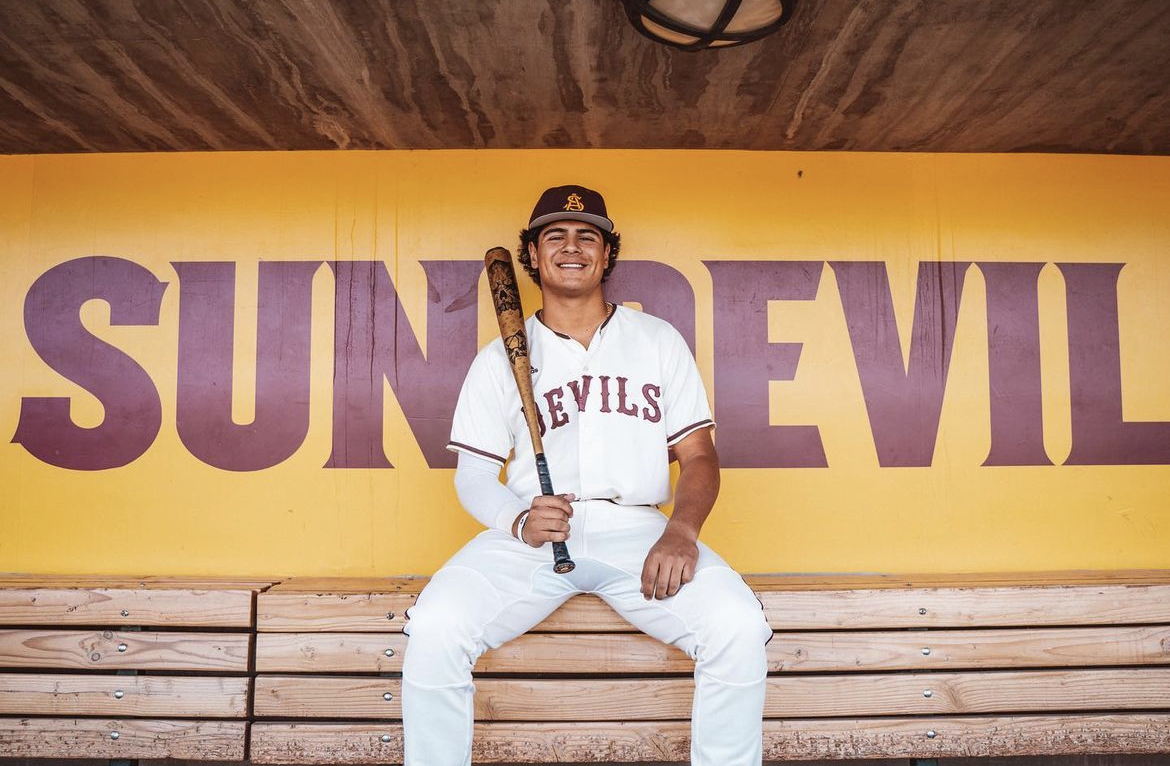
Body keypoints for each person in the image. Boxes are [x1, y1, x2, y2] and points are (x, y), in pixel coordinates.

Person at [402, 184, 771, 766]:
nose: (571, 247)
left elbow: (699, 456)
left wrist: (682, 531)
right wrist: (517, 519)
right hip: (532, 537)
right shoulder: (499, 358)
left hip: (637, 529)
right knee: (435, 628)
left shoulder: (657, 341)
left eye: (586, 237)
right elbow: (473, 476)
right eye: (555, 236)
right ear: (532, 254)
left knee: (737, 626)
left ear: (606, 255)